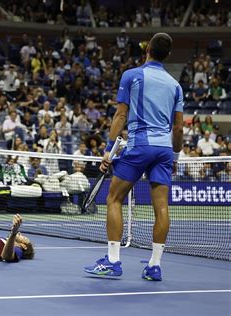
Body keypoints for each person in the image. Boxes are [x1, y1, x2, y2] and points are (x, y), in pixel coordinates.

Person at [84, 33, 183, 281]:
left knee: (114, 198)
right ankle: (154, 265)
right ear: (168, 55)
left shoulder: (132, 75)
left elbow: (120, 116)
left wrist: (109, 149)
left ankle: (113, 261)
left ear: (147, 49)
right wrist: (175, 155)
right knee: (161, 207)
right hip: (163, 150)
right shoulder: (175, 85)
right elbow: (179, 129)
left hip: (140, 145)